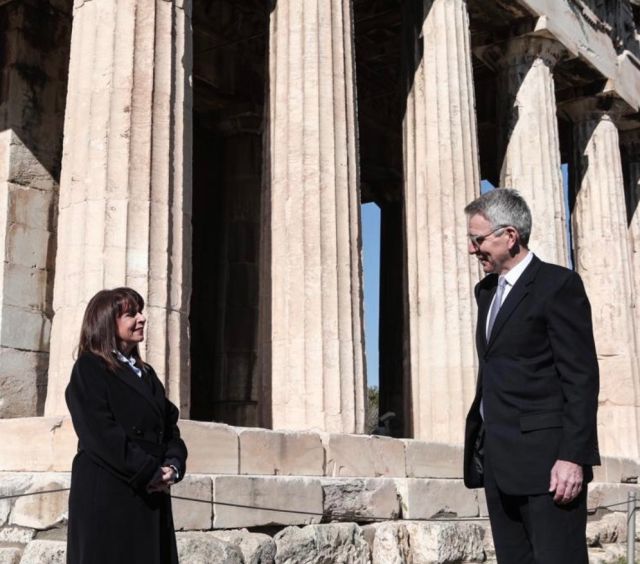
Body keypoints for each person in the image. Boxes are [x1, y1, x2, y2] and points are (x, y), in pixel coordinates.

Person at [462, 189, 599, 563]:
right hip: (499, 461)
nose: (472, 249)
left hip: (549, 465)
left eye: (478, 239)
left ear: (509, 236)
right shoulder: (486, 293)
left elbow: (581, 378)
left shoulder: (558, 285)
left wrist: (573, 457)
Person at [65, 287, 187, 564]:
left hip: (151, 492)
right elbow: (99, 433)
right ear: (107, 323)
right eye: (131, 314)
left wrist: (173, 465)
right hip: (111, 492)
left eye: (140, 312)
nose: (142, 318)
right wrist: (148, 471)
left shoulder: (147, 374)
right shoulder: (89, 368)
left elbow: (170, 427)